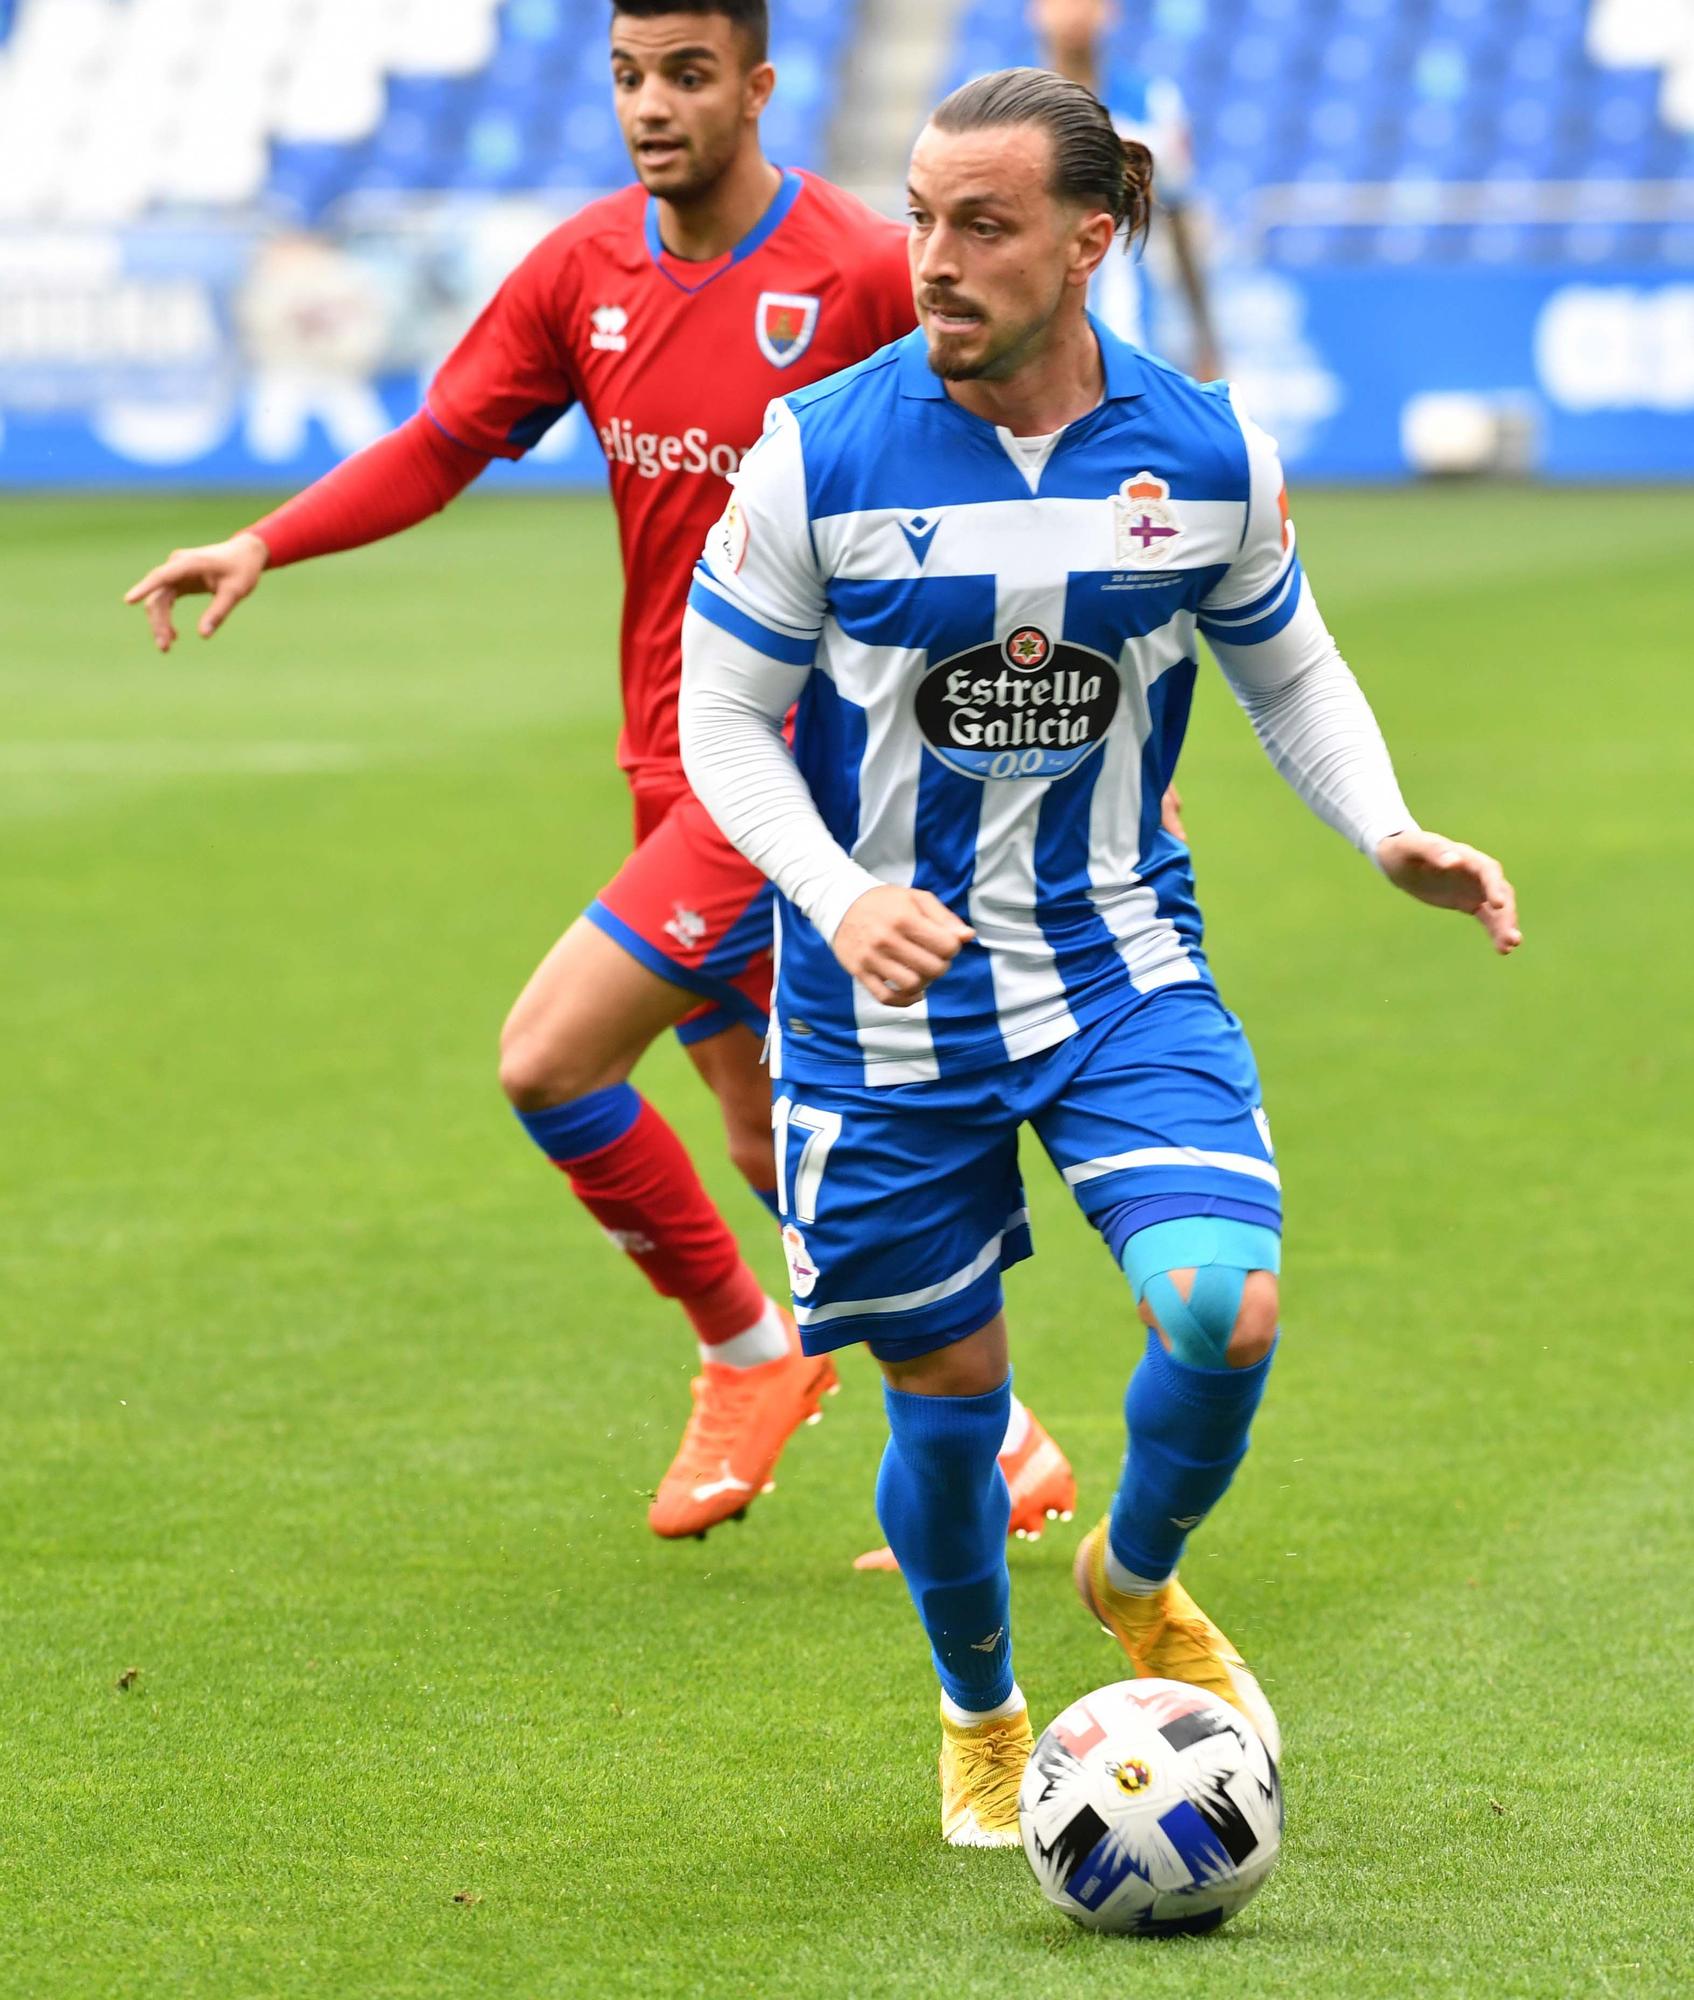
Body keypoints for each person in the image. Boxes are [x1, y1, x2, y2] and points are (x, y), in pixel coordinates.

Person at [679, 66, 1520, 1844]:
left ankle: (1132, 1582)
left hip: (1115, 963)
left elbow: (1281, 662)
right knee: (949, 1395)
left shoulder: (1201, 451)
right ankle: (979, 1713)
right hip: (875, 1006)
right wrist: (834, 894)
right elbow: (722, 728)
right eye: (916, 216)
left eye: (979, 225)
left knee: (1221, 1310)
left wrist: (1383, 826)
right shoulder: (816, 451)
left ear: (1091, 234)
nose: (931, 258)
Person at [122, 2, 1077, 1551]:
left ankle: (747, 1351)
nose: (651, 106)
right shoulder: (586, 269)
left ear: (757, 86)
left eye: (686, 75)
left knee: (548, 1058)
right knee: (769, 1134)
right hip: (660, 752)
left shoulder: (848, 270)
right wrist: (262, 540)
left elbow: (992, 468)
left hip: (784, 770)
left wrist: (1075, 721)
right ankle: (1010, 1444)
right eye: (629, 76)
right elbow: (442, 439)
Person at [1032, 0, 1221, 379]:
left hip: (1132, 326)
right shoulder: (1000, 108)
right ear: (1035, 10)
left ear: (1109, 10)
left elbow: (1179, 216)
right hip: (1031, 332)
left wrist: (1205, 338)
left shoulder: (1152, 103)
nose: (1073, 13)